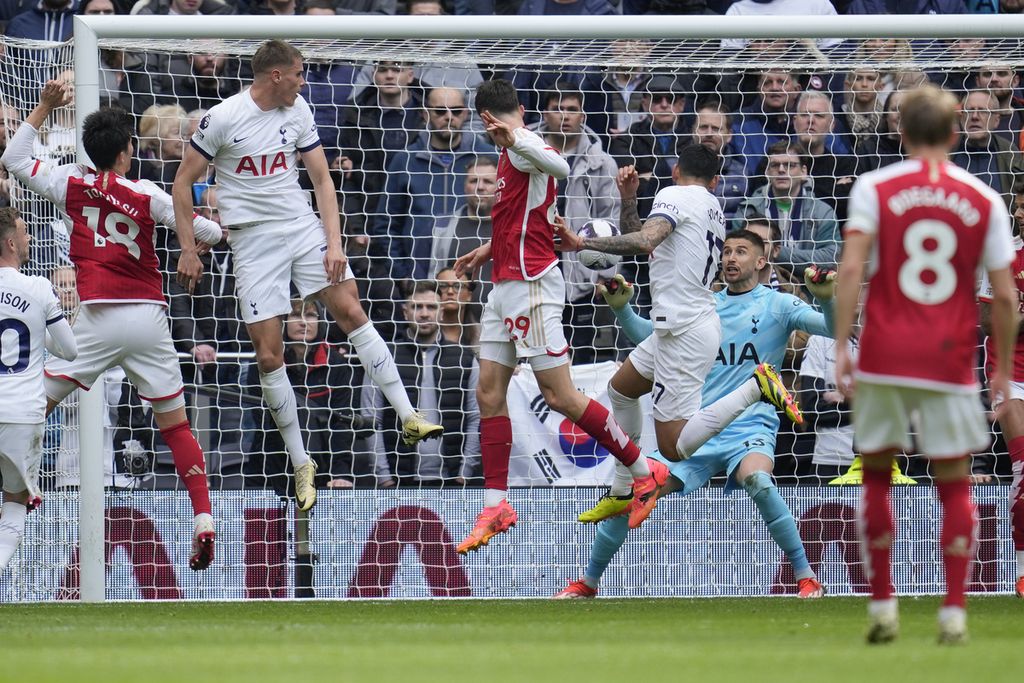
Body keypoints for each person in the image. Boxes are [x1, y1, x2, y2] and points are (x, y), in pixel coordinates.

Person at [172, 40, 443, 513]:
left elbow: (321, 180)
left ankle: (407, 414)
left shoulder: (298, 111)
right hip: (253, 242)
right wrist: (186, 247)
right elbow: (181, 183)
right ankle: (301, 463)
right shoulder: (224, 118)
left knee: (350, 309)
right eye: (298, 73)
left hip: (301, 228)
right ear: (275, 75)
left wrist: (335, 242)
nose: (304, 80)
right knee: (268, 353)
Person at [2, 81, 223, 571]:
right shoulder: (146, 193)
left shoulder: (70, 185)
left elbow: (15, 160)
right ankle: (203, 515)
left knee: (33, 400)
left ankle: (22, 485)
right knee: (177, 425)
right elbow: (206, 230)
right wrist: (202, 236)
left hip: (96, 318)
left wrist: (42, 108)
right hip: (148, 317)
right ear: (127, 153)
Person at [833, 85, 1019, 644]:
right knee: (955, 485)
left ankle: (884, 608)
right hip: (950, 360)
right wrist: (1003, 370)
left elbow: (851, 271)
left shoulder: (874, 187)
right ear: (956, 133)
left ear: (902, 132)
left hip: (886, 356)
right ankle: (954, 613)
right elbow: (1006, 298)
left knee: (874, 480)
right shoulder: (984, 197)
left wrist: (843, 346)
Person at [555, 231, 835, 599]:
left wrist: (826, 301)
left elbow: (833, 328)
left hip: (750, 425)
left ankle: (805, 575)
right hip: (695, 428)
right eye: (727, 252)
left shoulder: (778, 305)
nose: (731, 258)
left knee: (759, 482)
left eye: (741, 251)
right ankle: (587, 583)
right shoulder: (704, 306)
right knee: (638, 491)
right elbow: (650, 340)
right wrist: (623, 309)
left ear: (762, 261)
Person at [453, 78, 657, 555]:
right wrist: (488, 248)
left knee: (560, 395)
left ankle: (643, 472)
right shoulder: (510, 154)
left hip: (531, 288)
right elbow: (524, 215)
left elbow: (561, 165)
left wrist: (515, 136)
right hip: (504, 284)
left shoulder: (524, 147)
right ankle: (497, 504)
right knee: (488, 391)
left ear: (486, 119)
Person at [556, 150, 802, 526]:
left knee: (673, 446)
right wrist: (627, 200)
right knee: (621, 388)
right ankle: (625, 487)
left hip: (684, 330)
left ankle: (756, 388)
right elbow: (649, 240)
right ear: (716, 181)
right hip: (680, 324)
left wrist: (583, 243)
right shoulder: (712, 206)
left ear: (675, 172)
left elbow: (643, 241)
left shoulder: (674, 195)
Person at [0, 207, 77, 571]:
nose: (31, 238)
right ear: (11, 243)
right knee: (14, 500)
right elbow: (69, 350)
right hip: (22, 413)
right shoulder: (38, 288)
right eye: (26, 232)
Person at [364, 282, 480, 485]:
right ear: (405, 312)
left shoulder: (465, 359)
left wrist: (465, 473)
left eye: (432, 307)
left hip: (453, 483)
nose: (424, 314)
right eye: (417, 307)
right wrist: (384, 477)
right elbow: (372, 420)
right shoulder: (383, 358)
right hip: (398, 483)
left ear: (442, 312)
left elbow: (476, 419)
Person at [978, 176, 1024, 599]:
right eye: (1020, 205)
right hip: (1012, 375)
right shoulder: (1003, 257)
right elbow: (985, 321)